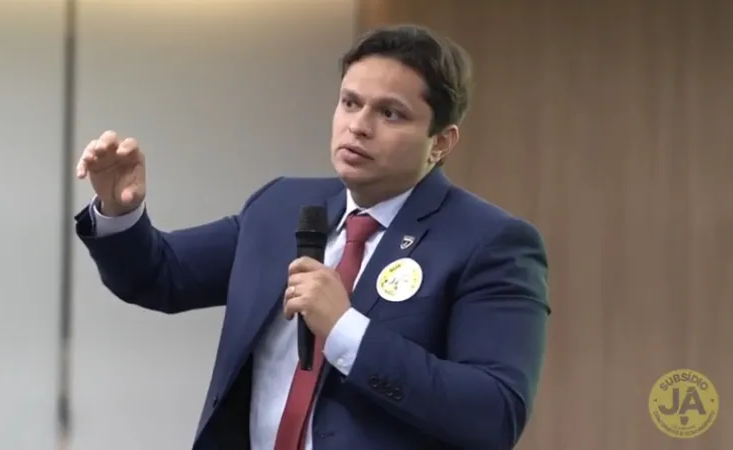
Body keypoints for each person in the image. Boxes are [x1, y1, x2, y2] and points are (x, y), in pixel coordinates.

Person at [74, 24, 550, 450]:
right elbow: (161, 275)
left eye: (390, 114)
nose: (358, 126)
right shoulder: (281, 207)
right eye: (350, 103)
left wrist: (344, 329)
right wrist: (121, 210)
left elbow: (494, 413)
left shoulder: (490, 243)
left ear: (441, 141)